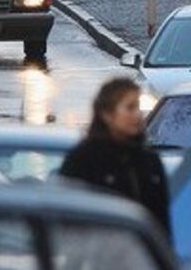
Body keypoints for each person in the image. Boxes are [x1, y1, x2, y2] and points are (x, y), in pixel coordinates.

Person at [58, 78, 170, 232]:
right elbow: (70, 217)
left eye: (138, 107)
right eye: (130, 108)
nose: (138, 115)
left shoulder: (149, 159)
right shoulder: (84, 159)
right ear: (107, 114)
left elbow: (161, 221)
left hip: (140, 253)